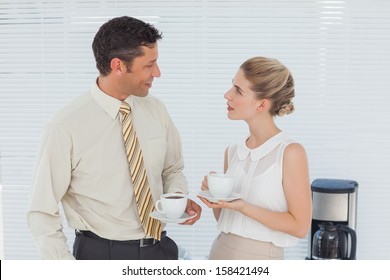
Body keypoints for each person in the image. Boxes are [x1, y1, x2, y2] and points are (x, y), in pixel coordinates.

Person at [27, 16, 201, 260]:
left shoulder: (156, 110)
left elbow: (172, 169)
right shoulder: (65, 126)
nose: (157, 73)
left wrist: (177, 200)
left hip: (160, 250)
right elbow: (41, 212)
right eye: (149, 65)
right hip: (100, 255)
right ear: (118, 66)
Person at [198, 56, 312, 260]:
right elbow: (225, 219)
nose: (227, 95)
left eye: (238, 90)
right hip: (220, 250)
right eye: (232, 86)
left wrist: (243, 206)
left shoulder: (290, 152)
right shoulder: (232, 152)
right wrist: (217, 199)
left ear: (261, 105)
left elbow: (300, 227)